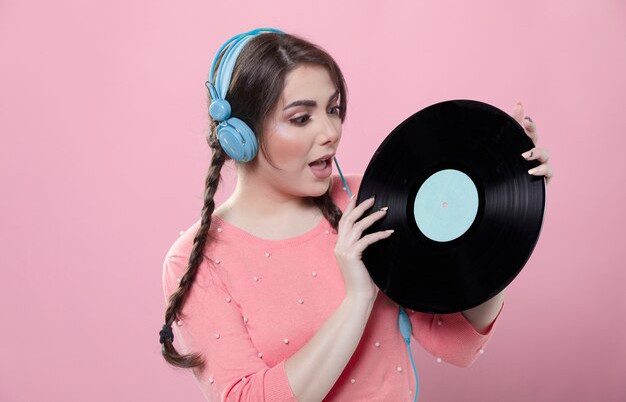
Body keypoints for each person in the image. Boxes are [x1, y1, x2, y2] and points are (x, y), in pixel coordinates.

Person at [159, 28, 554, 402]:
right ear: (239, 136)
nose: (331, 131)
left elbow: (457, 344)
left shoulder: (366, 201)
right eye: (302, 117)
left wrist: (505, 219)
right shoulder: (196, 258)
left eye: (334, 109)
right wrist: (358, 298)